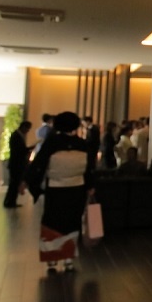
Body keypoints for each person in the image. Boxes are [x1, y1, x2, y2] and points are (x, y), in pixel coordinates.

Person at [25, 111, 94, 271]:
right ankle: (69, 258)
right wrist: (90, 186)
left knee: (52, 222)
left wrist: (31, 184)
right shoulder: (82, 144)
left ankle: (52, 258)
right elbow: (89, 169)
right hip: (77, 189)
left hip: (56, 190)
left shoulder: (52, 143)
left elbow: (38, 165)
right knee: (73, 222)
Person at [4, 120, 32, 208]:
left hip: (16, 163)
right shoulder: (16, 136)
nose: (27, 131)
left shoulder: (17, 135)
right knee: (14, 183)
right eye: (27, 129)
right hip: (16, 164)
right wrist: (28, 149)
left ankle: (11, 201)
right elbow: (18, 151)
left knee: (14, 183)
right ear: (23, 127)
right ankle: (10, 202)